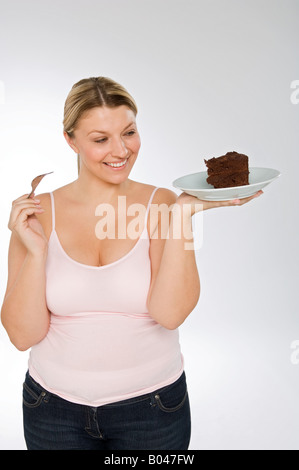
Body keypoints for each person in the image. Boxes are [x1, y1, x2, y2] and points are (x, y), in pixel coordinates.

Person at [0, 77, 262, 450]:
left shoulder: (161, 204)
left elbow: (169, 314)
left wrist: (182, 213)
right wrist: (38, 252)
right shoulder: (36, 215)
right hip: (52, 411)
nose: (121, 150)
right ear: (70, 139)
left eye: (129, 132)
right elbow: (22, 335)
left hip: (152, 411)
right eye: (100, 139)